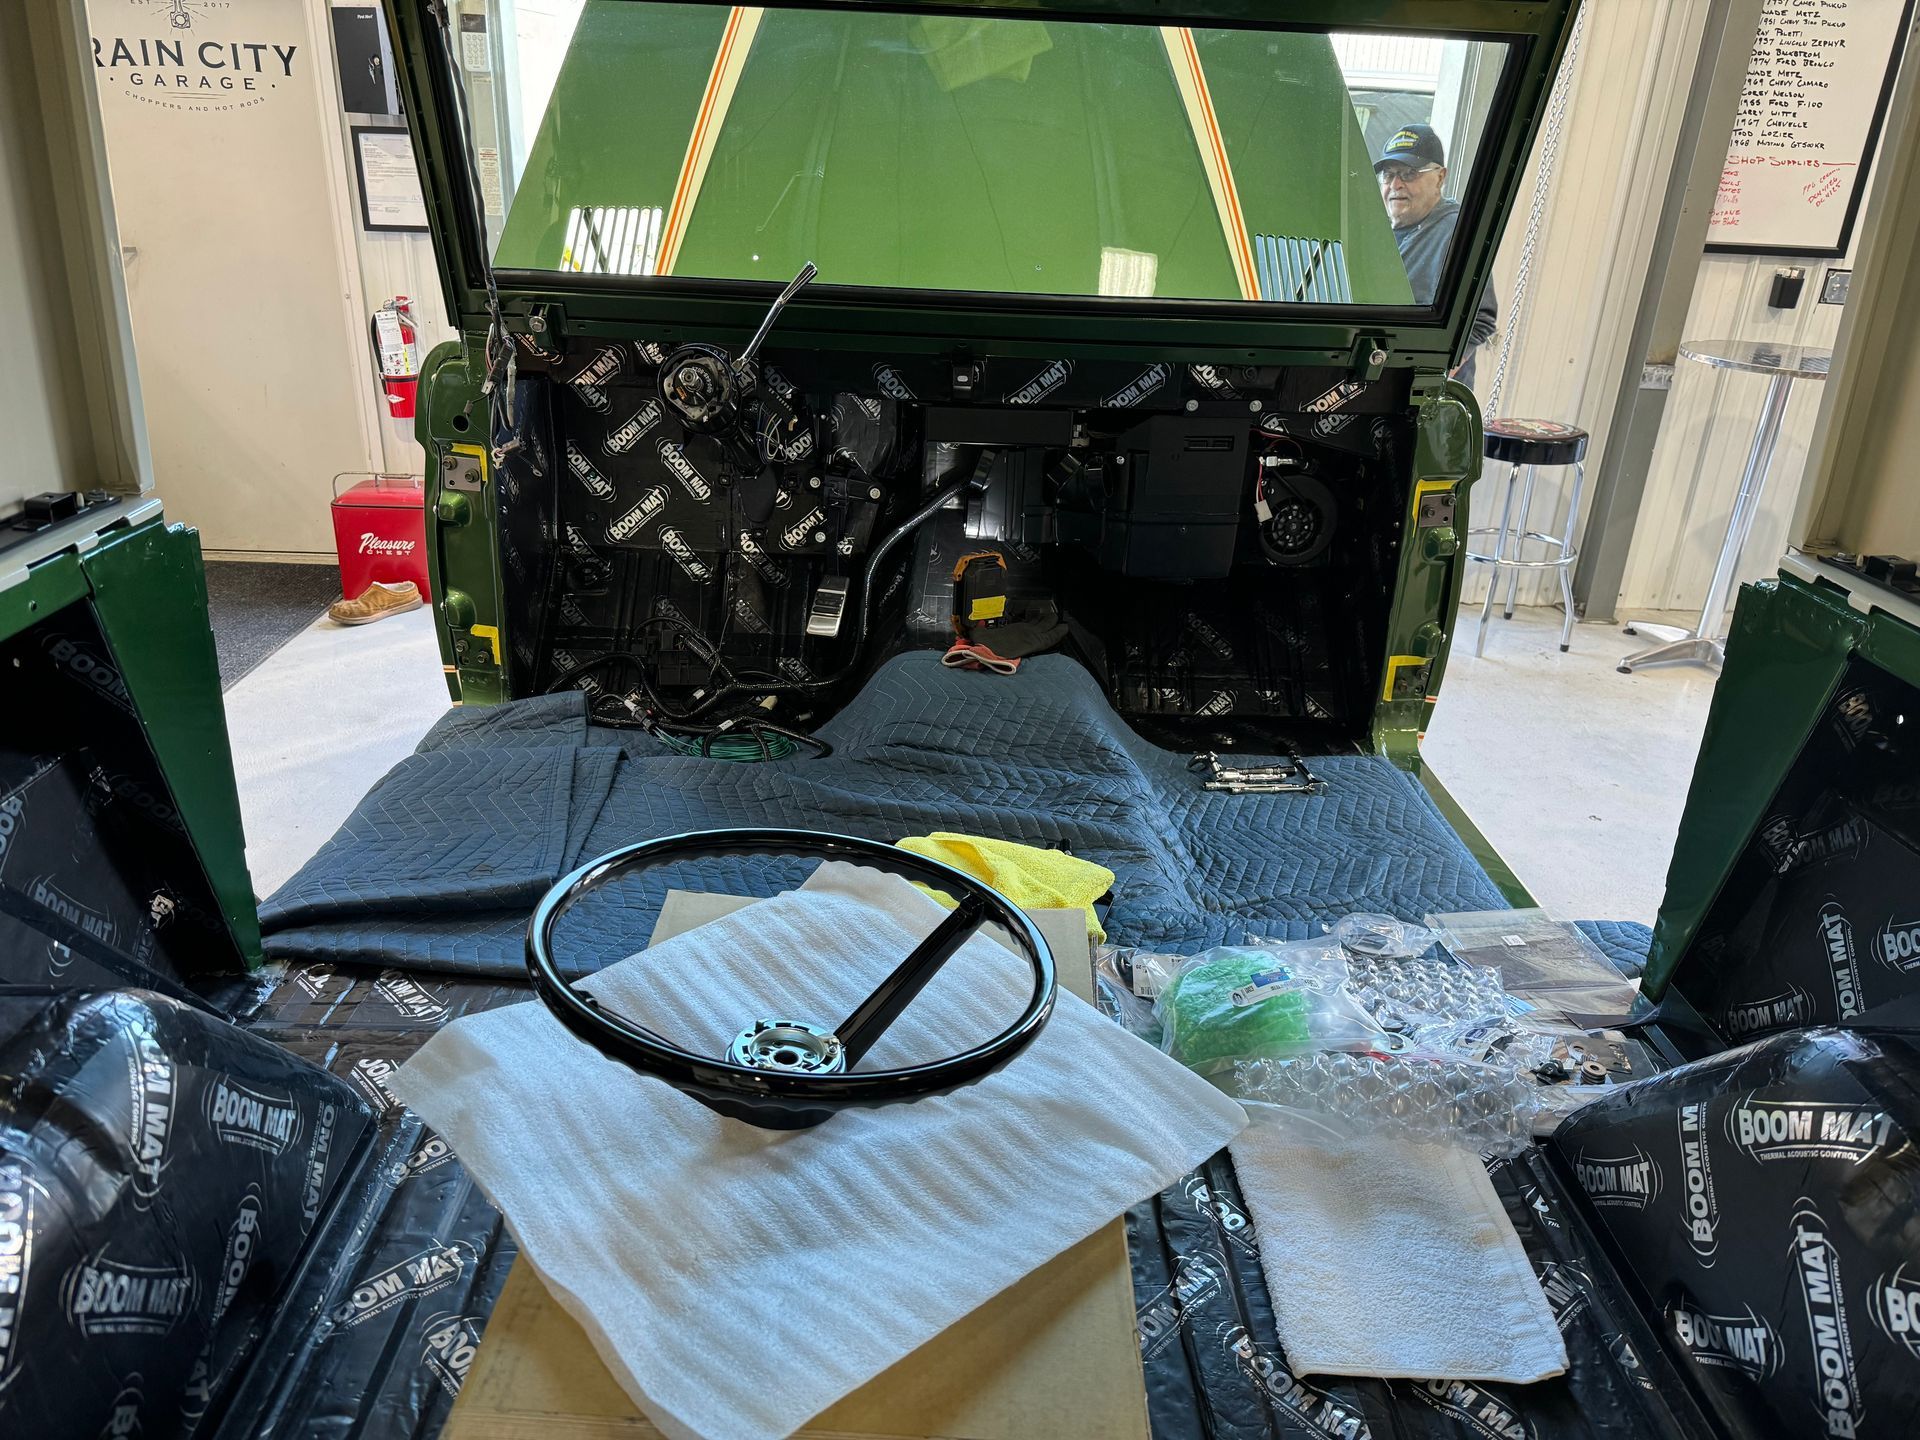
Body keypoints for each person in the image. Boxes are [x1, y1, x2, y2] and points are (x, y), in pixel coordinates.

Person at [1374, 123, 1498, 389]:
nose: (1396, 184)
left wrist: (1432, 373)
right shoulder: (1376, 232)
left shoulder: (1458, 233)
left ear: (1440, 177)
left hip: (1423, 402)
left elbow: (1480, 320)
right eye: (1388, 175)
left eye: (1409, 173)